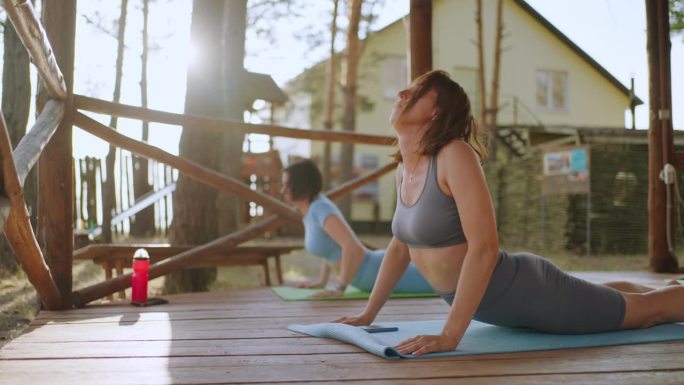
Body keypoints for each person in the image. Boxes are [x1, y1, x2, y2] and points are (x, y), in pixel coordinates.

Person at [333, 69, 684, 355]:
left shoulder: (454, 154)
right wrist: (368, 314)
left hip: (527, 292)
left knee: (644, 314)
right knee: (610, 297)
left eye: (414, 91)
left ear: (437, 110)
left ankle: (667, 295)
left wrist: (451, 335)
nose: (401, 95)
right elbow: (399, 246)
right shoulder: (404, 170)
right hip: (503, 305)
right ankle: (664, 288)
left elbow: (484, 248)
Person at [280, 159, 434, 297]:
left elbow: (351, 246)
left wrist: (340, 287)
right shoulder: (311, 210)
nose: (283, 191)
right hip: (368, 277)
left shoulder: (320, 208)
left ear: (301, 186)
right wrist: (321, 282)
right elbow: (328, 249)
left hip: (375, 271)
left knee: (438, 283)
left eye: (287, 185)